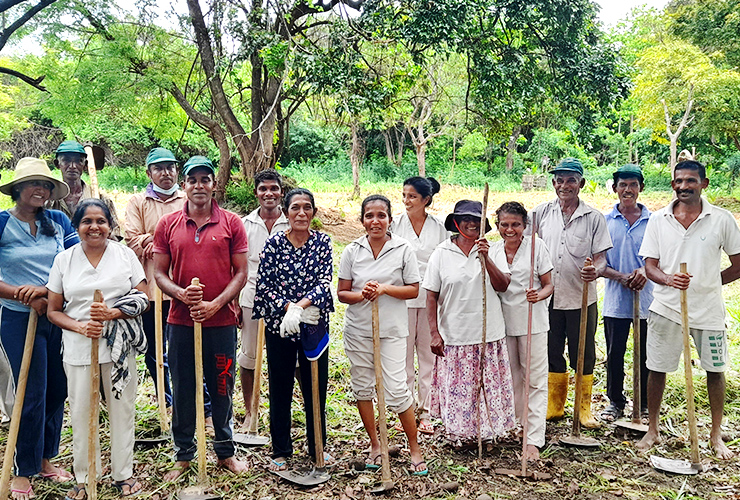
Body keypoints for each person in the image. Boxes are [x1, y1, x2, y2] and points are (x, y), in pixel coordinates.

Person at [636, 160, 740, 459]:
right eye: (679, 181)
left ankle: (715, 434)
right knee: (656, 369)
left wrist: (711, 282)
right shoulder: (658, 220)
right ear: (673, 185)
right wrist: (668, 279)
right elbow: (650, 265)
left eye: (691, 180)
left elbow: (738, 263)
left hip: (708, 311)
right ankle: (653, 430)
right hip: (666, 308)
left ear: (703, 183)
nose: (684, 186)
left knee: (715, 371)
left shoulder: (721, 220)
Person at [153, 156, 249, 479]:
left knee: (222, 385)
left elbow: (241, 273)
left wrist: (217, 304)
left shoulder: (231, 223)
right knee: (182, 387)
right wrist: (180, 294)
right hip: (180, 321)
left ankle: (225, 451)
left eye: (205, 179)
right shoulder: (167, 225)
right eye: (192, 180)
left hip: (221, 322)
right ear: (184, 185)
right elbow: (159, 273)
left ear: (213, 185)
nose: (199, 185)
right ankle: (183, 454)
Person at [47, 199, 148, 500]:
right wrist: (80, 326)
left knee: (122, 410)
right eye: (87, 221)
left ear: (110, 225)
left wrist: (112, 313)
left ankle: (123, 474)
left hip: (119, 346)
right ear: (77, 226)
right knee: (80, 412)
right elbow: (54, 310)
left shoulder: (124, 255)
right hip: (79, 346)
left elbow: (142, 295)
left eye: (101, 221)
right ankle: (85, 476)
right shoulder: (64, 260)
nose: (94, 227)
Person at [0, 158, 78, 500]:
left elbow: (78, 264)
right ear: (18, 189)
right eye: (33, 184)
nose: (41, 190)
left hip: (57, 314)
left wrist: (48, 294)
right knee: (29, 392)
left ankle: (46, 459)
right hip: (17, 317)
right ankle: (22, 469)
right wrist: (21, 293)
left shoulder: (58, 221)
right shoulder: (2, 222)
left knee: (57, 389)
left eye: (46, 185)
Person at [337, 195, 427, 475]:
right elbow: (342, 293)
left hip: (392, 330)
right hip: (359, 330)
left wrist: (385, 289)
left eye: (381, 215)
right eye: (369, 216)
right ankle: (376, 445)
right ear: (362, 220)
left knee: (397, 389)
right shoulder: (352, 250)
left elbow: (414, 289)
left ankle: (414, 447)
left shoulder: (403, 249)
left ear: (390, 219)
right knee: (362, 386)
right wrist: (361, 295)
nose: (375, 221)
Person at [252, 188, 333, 470]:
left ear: (314, 212)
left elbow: (325, 282)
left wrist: (300, 306)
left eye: (307, 208)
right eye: (295, 208)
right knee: (281, 385)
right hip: (280, 326)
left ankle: (317, 446)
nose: (301, 213)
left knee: (316, 386)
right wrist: (288, 308)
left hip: (313, 325)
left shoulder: (323, 242)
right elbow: (263, 287)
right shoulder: (274, 244)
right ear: (286, 213)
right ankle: (281, 449)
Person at [425, 200, 516, 448]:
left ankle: (485, 435)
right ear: (455, 223)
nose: (471, 223)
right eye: (465, 219)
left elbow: (503, 285)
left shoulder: (493, 249)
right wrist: (434, 333)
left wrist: (486, 258)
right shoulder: (441, 253)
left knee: (487, 385)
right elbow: (431, 295)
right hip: (455, 334)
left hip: (488, 332)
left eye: (477, 220)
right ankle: (460, 436)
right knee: (459, 389)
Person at [531, 158, 612, 428]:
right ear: (554, 183)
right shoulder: (541, 213)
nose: (565, 185)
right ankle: (554, 406)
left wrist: (596, 271)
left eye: (571, 180)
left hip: (581, 298)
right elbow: (526, 248)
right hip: (549, 297)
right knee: (551, 349)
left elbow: (601, 259)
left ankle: (583, 408)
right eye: (560, 180)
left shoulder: (594, 217)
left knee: (584, 353)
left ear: (581, 184)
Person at [124, 147, 185, 409]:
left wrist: (155, 238)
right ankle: (165, 401)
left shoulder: (186, 200)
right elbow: (131, 241)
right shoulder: (137, 203)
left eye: (170, 167)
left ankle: (189, 400)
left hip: (182, 287)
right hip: (150, 290)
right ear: (149, 173)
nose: (165, 173)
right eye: (159, 168)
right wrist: (160, 239)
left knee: (183, 347)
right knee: (156, 350)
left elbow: (191, 238)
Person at [493, 201, 553, 460]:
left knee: (535, 379)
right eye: (504, 224)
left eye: (515, 224)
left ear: (525, 226)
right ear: (497, 226)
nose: (510, 229)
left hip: (533, 320)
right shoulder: (492, 251)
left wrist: (538, 295)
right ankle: (517, 426)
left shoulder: (536, 247)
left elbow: (550, 285)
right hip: (502, 323)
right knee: (512, 377)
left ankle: (533, 437)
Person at [389, 176, 447, 435]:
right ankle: (405, 409)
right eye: (404, 195)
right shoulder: (395, 225)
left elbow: (445, 262)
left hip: (430, 300)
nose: (406, 201)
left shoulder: (439, 228)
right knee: (401, 357)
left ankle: (427, 411)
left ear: (426, 200)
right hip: (400, 299)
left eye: (412, 196)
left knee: (428, 357)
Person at [600, 164, 652, 423]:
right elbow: (599, 263)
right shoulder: (605, 222)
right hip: (615, 300)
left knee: (645, 353)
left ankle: (643, 404)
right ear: (615, 188)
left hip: (648, 300)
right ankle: (615, 402)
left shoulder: (655, 222)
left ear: (641, 188)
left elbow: (663, 258)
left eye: (633, 184)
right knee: (615, 352)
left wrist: (644, 270)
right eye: (623, 185)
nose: (627, 190)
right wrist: (621, 276)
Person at [238, 169, 289, 428]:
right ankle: (251, 412)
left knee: (290, 357)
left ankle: (289, 412)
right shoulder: (244, 224)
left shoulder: (292, 221)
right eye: (263, 189)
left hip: (287, 301)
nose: (269, 194)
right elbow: (237, 266)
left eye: (274, 188)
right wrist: (236, 302)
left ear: (281, 191)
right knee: (249, 357)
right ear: (256, 192)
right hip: (251, 297)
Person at [47, 140, 121, 240]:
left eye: (78, 161)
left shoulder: (101, 199)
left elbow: (115, 234)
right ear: (57, 164)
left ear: (85, 165)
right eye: (66, 160)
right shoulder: (49, 201)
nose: (72, 166)